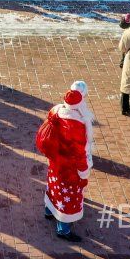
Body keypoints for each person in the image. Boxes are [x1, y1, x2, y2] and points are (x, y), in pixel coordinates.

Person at [35, 83, 93, 242]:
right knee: (67, 196)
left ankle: (48, 211)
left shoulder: (56, 111)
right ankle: (63, 229)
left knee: (54, 186)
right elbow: (79, 151)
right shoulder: (77, 123)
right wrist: (84, 170)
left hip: (55, 161)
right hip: (69, 167)